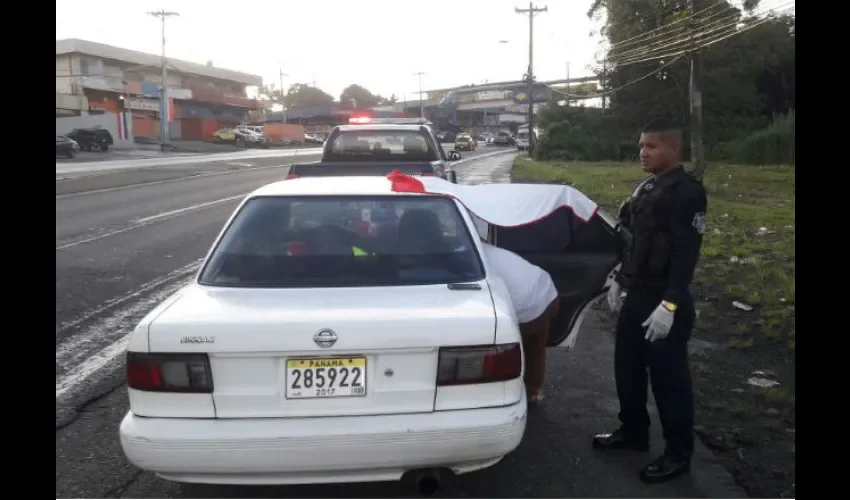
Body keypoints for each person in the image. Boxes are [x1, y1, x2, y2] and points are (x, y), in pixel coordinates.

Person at [593, 118, 708, 483]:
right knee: (627, 368)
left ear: (673, 150)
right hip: (637, 294)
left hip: (665, 300)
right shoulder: (647, 187)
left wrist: (671, 305)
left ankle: (678, 453)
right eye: (641, 146)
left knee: (669, 380)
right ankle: (633, 431)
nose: (643, 152)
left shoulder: (687, 192)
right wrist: (618, 279)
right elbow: (634, 240)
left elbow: (686, 254)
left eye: (651, 147)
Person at [479, 240, 559, 404]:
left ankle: (502, 397)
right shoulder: (482, 245)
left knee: (498, 351)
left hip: (527, 306)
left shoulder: (467, 257)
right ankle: (532, 392)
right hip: (547, 290)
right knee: (535, 349)